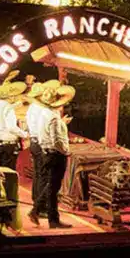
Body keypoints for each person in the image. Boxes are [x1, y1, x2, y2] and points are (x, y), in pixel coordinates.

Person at [32, 83, 74, 228]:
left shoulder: (44, 115)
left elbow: (45, 134)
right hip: (56, 155)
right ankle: (52, 219)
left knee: (50, 186)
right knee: (53, 188)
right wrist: (66, 151)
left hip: (46, 152)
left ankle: (39, 211)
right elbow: (56, 140)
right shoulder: (54, 118)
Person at [0, 78, 28, 222]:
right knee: (9, 173)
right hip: (9, 142)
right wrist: (25, 134)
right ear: (10, 96)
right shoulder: (8, 109)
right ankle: (9, 206)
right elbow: (11, 127)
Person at [23, 81, 55, 226]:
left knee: (37, 173)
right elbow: (44, 129)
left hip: (34, 142)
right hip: (41, 144)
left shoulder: (31, 108)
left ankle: (36, 200)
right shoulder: (41, 110)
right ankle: (40, 207)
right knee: (44, 176)